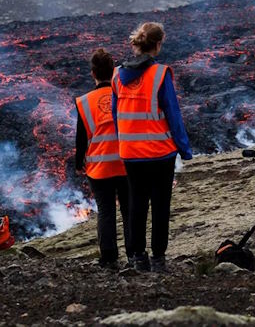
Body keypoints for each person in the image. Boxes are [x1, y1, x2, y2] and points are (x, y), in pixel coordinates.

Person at [111, 22, 192, 272]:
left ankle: (137, 257)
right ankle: (158, 259)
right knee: (160, 206)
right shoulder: (160, 74)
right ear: (157, 44)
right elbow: (173, 113)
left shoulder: (116, 75)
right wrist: (184, 148)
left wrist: (125, 141)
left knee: (136, 205)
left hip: (131, 154)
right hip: (159, 154)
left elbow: (116, 114)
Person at [74, 49, 130, 270]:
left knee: (106, 210)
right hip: (127, 162)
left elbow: (81, 138)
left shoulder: (85, 101)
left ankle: (109, 257)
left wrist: (79, 162)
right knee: (128, 209)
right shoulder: (124, 95)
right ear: (113, 71)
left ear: (92, 74)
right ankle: (134, 252)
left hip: (99, 167)